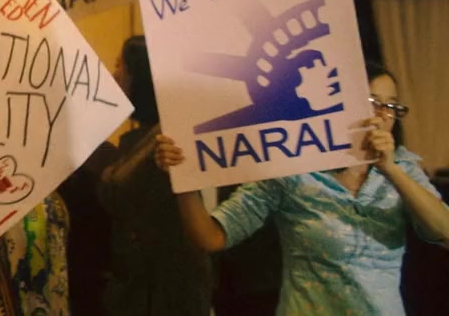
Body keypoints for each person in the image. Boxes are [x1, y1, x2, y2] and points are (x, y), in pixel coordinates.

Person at [156, 61, 449, 315]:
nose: (384, 115)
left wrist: (391, 169)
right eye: (373, 101)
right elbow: (210, 237)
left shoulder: (403, 167)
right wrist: (184, 178)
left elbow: (444, 230)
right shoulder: (295, 168)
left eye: (392, 106)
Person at [97, 36, 210, 316]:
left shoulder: (171, 142)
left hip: (160, 295)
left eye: (120, 66)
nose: (114, 75)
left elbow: (113, 189)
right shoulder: (139, 141)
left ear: (142, 77)